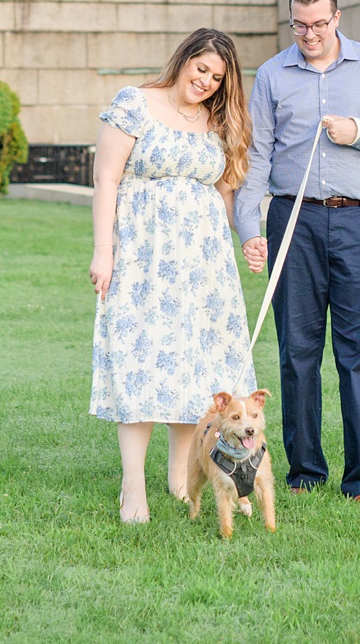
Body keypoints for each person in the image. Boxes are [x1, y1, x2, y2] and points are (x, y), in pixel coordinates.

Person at [234, 0, 360, 501]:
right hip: (294, 222)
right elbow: (257, 157)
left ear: (337, 18)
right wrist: (250, 227)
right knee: (297, 352)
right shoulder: (273, 74)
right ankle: (304, 472)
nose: (310, 34)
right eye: (300, 25)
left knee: (359, 352)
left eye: (319, 24)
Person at [89, 27, 257, 524]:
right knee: (140, 365)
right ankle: (132, 488)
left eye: (216, 77)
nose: (205, 81)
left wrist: (247, 236)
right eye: (200, 69)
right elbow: (106, 179)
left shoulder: (217, 121)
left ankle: (181, 477)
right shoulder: (135, 103)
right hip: (144, 258)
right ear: (183, 60)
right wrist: (104, 252)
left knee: (196, 369)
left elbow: (227, 193)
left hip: (204, 266)